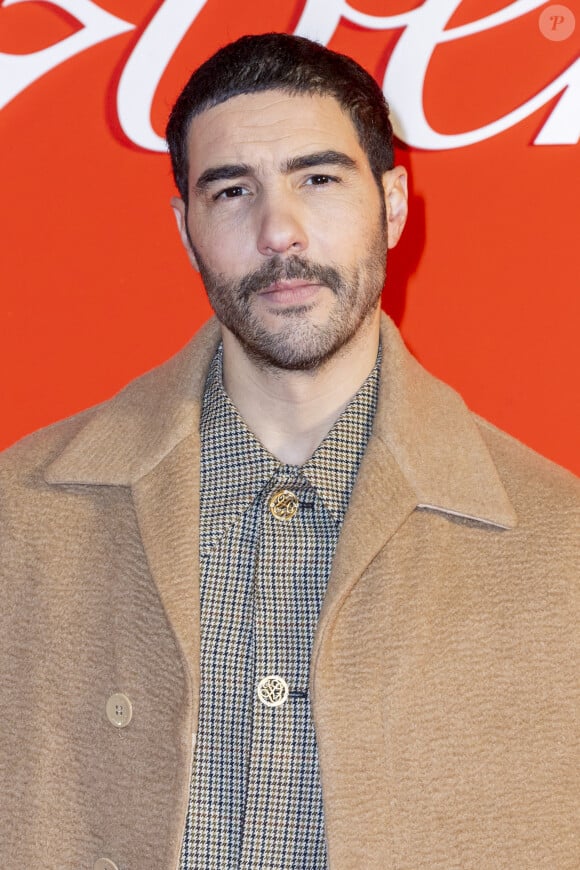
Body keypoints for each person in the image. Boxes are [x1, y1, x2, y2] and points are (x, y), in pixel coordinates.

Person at [0, 32, 577, 870]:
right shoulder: (20, 519)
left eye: (318, 178)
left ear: (394, 204)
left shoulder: (558, 549)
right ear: (185, 228)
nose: (280, 230)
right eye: (231, 191)